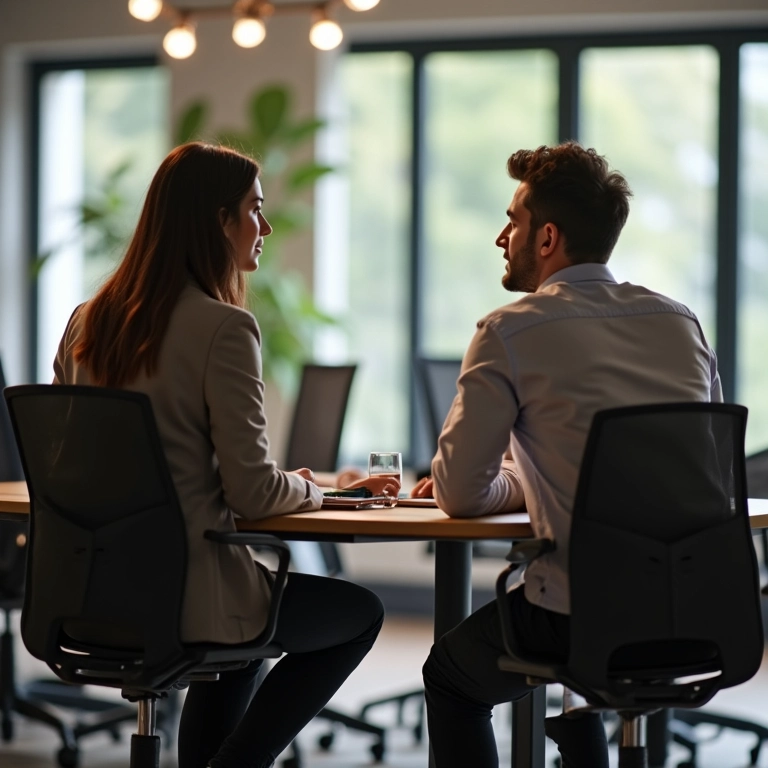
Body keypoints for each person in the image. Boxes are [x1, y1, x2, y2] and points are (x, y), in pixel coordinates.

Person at [52, 141, 400, 768]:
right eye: (255, 210)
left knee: (244, 632)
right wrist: (313, 490)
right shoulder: (223, 328)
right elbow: (254, 494)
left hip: (86, 594)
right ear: (218, 220)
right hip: (189, 595)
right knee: (358, 614)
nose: (264, 226)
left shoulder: (86, 324)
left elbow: (75, 463)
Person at [411, 141, 721, 768]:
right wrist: (536, 480)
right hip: (707, 605)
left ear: (547, 237)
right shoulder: (679, 322)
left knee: (451, 677)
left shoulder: (510, 330)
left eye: (514, 221)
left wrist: (515, 483)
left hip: (584, 617)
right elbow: (702, 468)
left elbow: (461, 495)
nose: (503, 237)